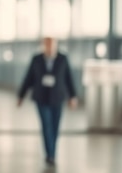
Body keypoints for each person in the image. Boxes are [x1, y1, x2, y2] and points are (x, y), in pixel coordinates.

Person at [17, 37, 77, 166]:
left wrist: (72, 96)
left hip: (57, 98)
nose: (49, 48)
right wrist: (21, 96)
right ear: (43, 46)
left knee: (55, 126)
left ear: (56, 46)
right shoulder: (37, 59)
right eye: (47, 45)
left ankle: (53, 153)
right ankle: (50, 155)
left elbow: (69, 78)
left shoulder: (62, 59)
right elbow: (29, 78)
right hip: (41, 98)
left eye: (52, 45)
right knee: (46, 125)